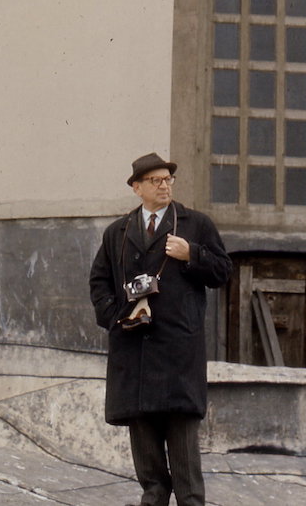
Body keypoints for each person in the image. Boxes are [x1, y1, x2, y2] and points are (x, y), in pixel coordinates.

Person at [89, 152, 232, 506]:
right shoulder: (117, 232)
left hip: (177, 355)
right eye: (155, 180)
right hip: (134, 353)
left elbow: (223, 271)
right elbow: (99, 281)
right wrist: (114, 318)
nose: (164, 185)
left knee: (185, 460)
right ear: (137, 188)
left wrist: (192, 255)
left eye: (168, 179)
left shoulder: (195, 225)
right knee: (149, 469)